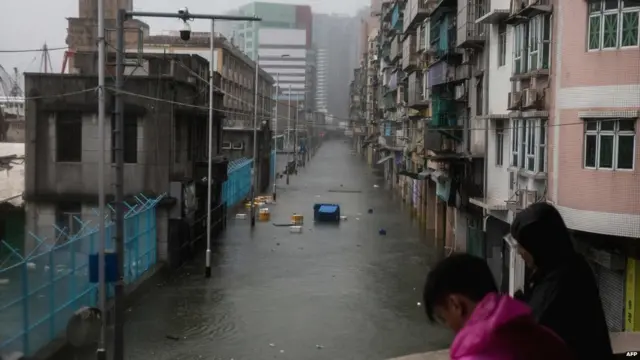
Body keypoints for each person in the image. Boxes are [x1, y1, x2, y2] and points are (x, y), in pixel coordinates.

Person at [510, 202, 613, 360]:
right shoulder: (563, 267)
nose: (520, 252)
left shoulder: (563, 279)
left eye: (523, 246)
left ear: (539, 246)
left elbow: (536, 328)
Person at [423, 253, 572, 360]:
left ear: (455, 304)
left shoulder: (477, 353)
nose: (449, 326)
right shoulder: (544, 336)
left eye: (444, 318)